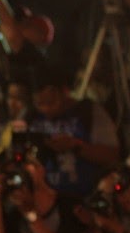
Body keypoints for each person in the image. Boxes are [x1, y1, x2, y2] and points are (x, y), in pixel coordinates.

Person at [25, 64, 120, 195]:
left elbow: (112, 155)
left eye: (51, 102)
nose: (46, 109)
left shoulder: (88, 112)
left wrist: (76, 146)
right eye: (40, 104)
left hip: (87, 195)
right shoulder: (31, 118)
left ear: (65, 92)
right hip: (49, 199)